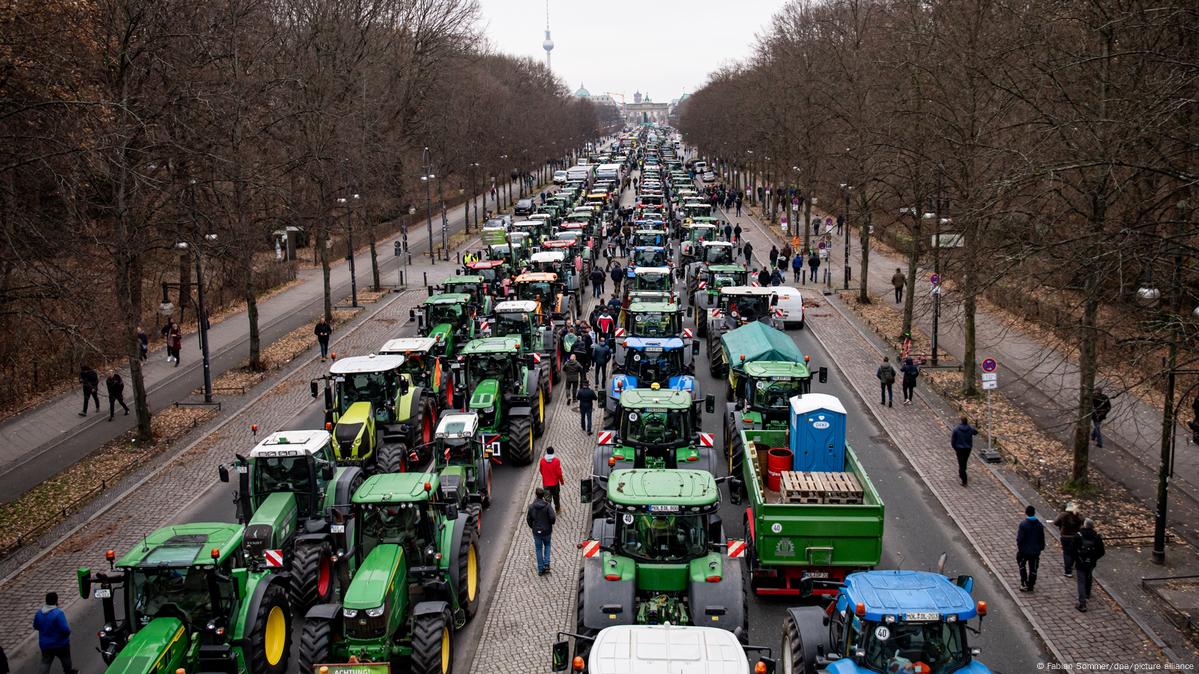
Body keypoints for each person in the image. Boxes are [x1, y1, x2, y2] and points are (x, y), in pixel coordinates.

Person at [33, 591, 76, 674]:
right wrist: (66, 635)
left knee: (45, 662)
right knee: (65, 659)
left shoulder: (39, 614)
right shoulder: (58, 613)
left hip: (45, 644)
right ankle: (69, 672)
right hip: (60, 643)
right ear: (56, 601)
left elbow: (36, 626)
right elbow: (65, 629)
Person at [1074, 519, 1105, 612]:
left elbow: (1073, 550)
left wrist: (1076, 559)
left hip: (1080, 562)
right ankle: (1087, 593)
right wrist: (1094, 558)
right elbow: (1102, 551)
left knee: (1081, 581)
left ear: (1085, 525)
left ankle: (1082, 603)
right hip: (1091, 562)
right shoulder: (1096, 537)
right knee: (1089, 576)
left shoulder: (1078, 535)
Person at [526, 487, 556, 576]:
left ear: (536, 495)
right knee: (547, 545)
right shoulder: (547, 506)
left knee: (538, 549)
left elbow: (528, 519)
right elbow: (553, 518)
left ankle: (540, 569)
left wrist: (533, 527)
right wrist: (550, 524)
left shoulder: (531, 507)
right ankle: (546, 563)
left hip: (536, 532)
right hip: (547, 531)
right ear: (543, 495)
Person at [1017, 505, 1045, 592]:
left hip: (1024, 551)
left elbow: (1020, 539)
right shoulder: (1039, 525)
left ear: (1026, 513)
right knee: (1033, 568)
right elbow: (1042, 538)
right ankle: (1031, 584)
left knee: (1022, 565)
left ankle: (1024, 582)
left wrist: (1020, 547)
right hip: (1035, 551)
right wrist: (1041, 548)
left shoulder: (1023, 524)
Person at [1053, 503, 1084, 577]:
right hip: (1076, 536)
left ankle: (1068, 571)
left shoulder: (1063, 515)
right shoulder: (1078, 515)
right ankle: (1071, 565)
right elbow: (1083, 521)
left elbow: (1055, 522)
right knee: (1073, 552)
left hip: (1066, 536)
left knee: (1067, 553)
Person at [951, 416, 979, 486]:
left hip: (959, 449)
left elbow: (953, 441)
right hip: (968, 448)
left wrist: (955, 447)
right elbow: (976, 432)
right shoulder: (970, 428)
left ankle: (964, 479)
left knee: (961, 463)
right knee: (964, 461)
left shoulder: (956, 429)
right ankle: (962, 473)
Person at [538, 447, 564, 512]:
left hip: (546, 483)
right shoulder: (556, 461)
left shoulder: (542, 461)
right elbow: (559, 473)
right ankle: (557, 509)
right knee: (556, 497)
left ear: (547, 452)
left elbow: (541, 470)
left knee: (547, 499)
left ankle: (549, 511)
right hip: (555, 483)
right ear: (553, 452)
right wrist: (561, 481)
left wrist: (545, 476)